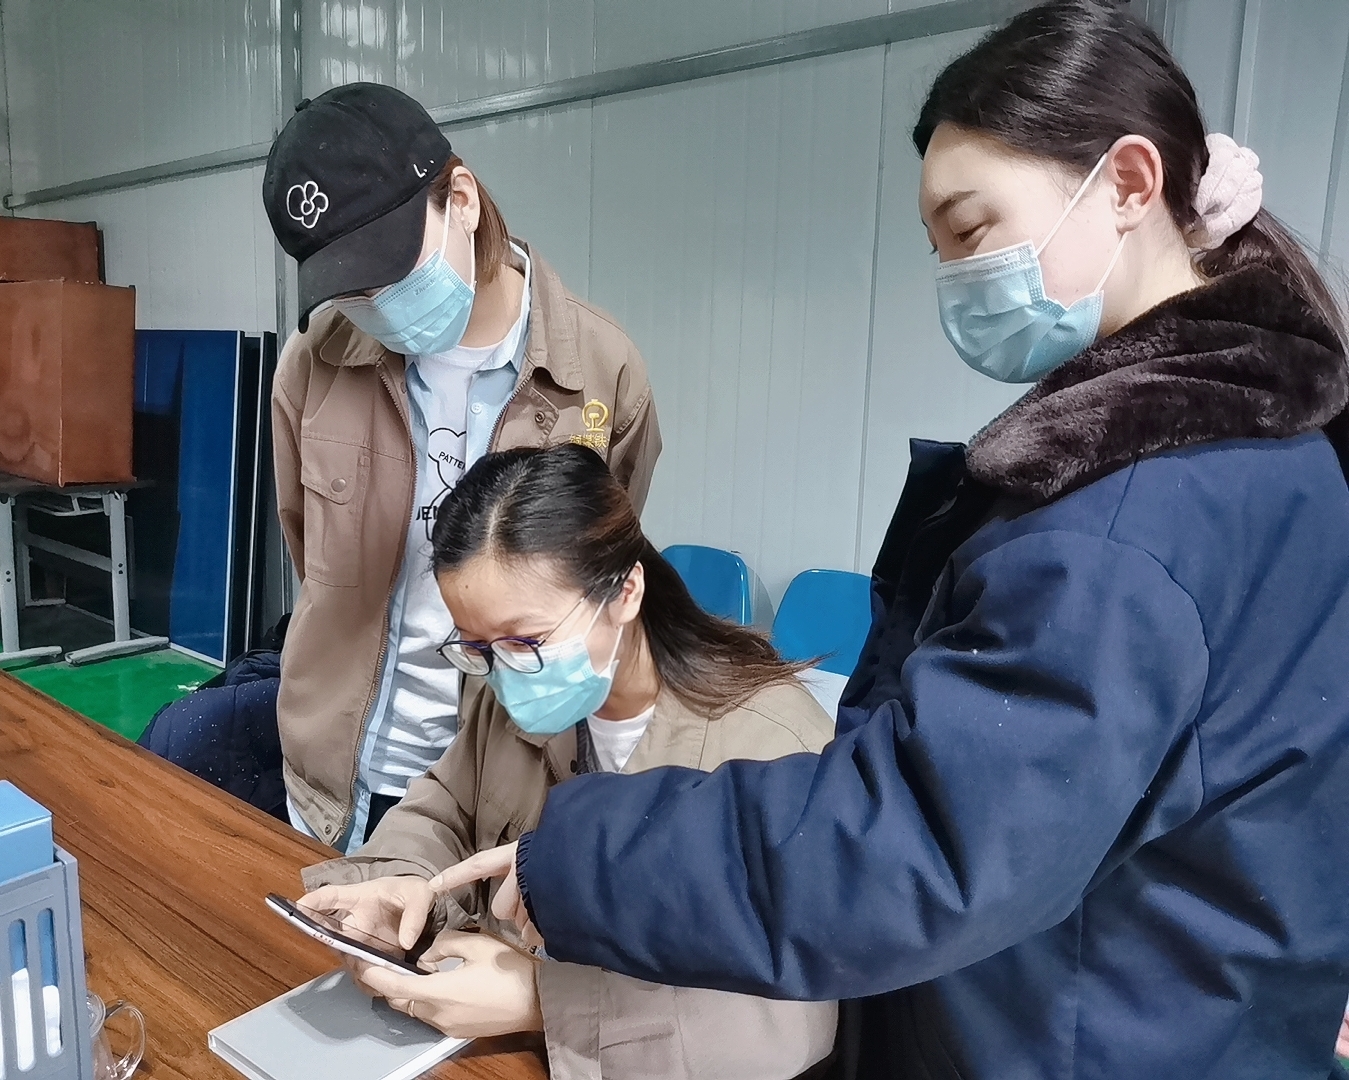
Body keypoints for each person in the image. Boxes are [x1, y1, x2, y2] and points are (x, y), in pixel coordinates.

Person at [436, 3, 1349, 1077]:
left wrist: (579, 860)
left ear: (1128, 183)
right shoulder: (1266, 454)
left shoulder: (1130, 523)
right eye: (938, 248)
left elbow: (916, 843)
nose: (956, 276)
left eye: (971, 229)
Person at [295, 444, 838, 1079]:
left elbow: (789, 1021)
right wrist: (405, 886)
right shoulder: (512, 692)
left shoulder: (773, 745)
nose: (504, 672)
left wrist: (542, 1002)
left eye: (527, 641)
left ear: (626, 591)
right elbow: (444, 809)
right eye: (478, 647)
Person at [261, 83, 661, 852]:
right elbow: (309, 551)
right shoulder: (313, 366)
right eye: (349, 287)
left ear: (462, 200)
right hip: (342, 781)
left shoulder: (602, 373)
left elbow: (602, 573)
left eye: (389, 267)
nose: (376, 302)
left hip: (508, 785)